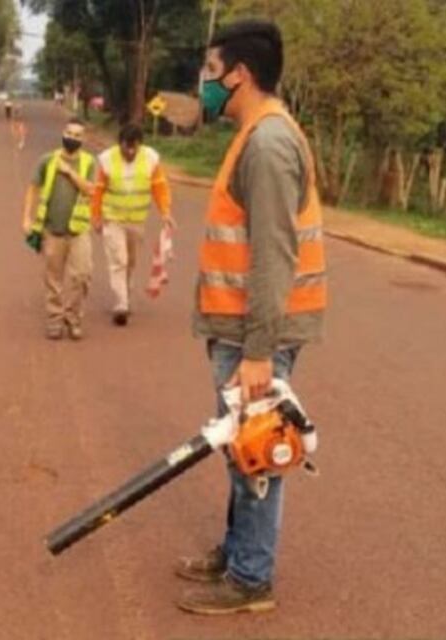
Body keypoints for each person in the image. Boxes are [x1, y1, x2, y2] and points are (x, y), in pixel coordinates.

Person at [174, 19, 327, 615]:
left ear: (241, 75)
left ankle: (251, 578)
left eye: (212, 72)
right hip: (240, 329)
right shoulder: (256, 134)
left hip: (256, 335)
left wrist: (260, 352)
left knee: (259, 450)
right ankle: (238, 550)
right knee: (241, 450)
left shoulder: (266, 143)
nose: (205, 83)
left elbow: (274, 256)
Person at [91, 124, 175, 325]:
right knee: (118, 260)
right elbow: (98, 191)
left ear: (140, 145)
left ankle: (126, 295)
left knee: (130, 262)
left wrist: (165, 212)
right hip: (113, 219)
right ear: (119, 144)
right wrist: (96, 217)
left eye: (133, 147)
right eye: (125, 147)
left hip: (137, 221)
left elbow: (159, 188)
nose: (129, 152)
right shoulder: (107, 160)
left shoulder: (150, 159)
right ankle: (121, 304)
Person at [21, 118, 96, 340]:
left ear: (84, 139)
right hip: (52, 230)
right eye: (69, 133)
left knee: (82, 275)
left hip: (79, 230)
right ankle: (55, 319)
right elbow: (33, 189)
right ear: (63, 133)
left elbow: (91, 190)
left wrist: (70, 173)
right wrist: (26, 218)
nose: (72, 138)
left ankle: (73, 319)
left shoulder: (89, 163)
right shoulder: (47, 160)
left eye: (77, 135)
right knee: (53, 278)